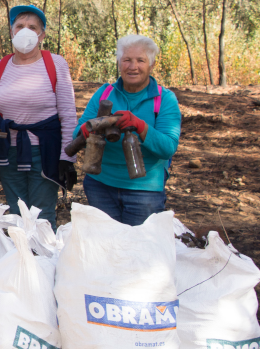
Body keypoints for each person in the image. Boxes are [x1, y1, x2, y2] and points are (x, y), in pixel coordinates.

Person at [0, 4, 77, 226]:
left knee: (41, 216)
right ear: (12, 31)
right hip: (8, 152)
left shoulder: (55, 64)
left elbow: (68, 115)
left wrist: (67, 157)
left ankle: (43, 260)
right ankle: (19, 259)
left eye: (32, 27)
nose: (26, 31)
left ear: (41, 35)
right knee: (16, 215)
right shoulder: (1, 66)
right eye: (20, 26)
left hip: (45, 151)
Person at [73, 35, 181, 226]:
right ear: (119, 63)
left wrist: (140, 126)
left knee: (139, 249)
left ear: (152, 64)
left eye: (141, 60)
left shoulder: (164, 99)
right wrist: (86, 129)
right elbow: (76, 136)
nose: (133, 67)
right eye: (127, 60)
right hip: (101, 186)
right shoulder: (104, 93)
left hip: (145, 190)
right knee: (105, 247)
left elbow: (168, 147)